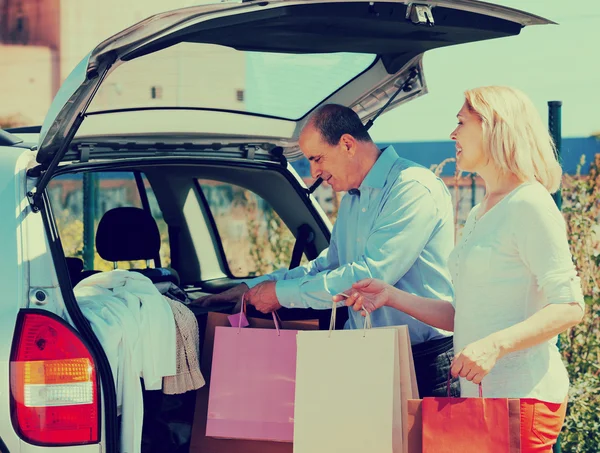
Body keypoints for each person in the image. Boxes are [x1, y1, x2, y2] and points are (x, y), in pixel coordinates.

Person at [337, 86, 584, 453]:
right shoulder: (479, 212)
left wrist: (494, 346)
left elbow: (570, 306)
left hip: (522, 398)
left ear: (495, 127)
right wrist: (391, 296)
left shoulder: (530, 203)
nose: (452, 134)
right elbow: (463, 314)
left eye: (461, 122)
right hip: (482, 400)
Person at [194, 103, 459, 397]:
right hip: (367, 354)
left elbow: (370, 277)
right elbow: (329, 266)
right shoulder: (353, 200)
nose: (315, 172)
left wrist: (281, 295)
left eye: (317, 158)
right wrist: (252, 287)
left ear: (347, 144)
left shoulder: (412, 188)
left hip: (422, 361)